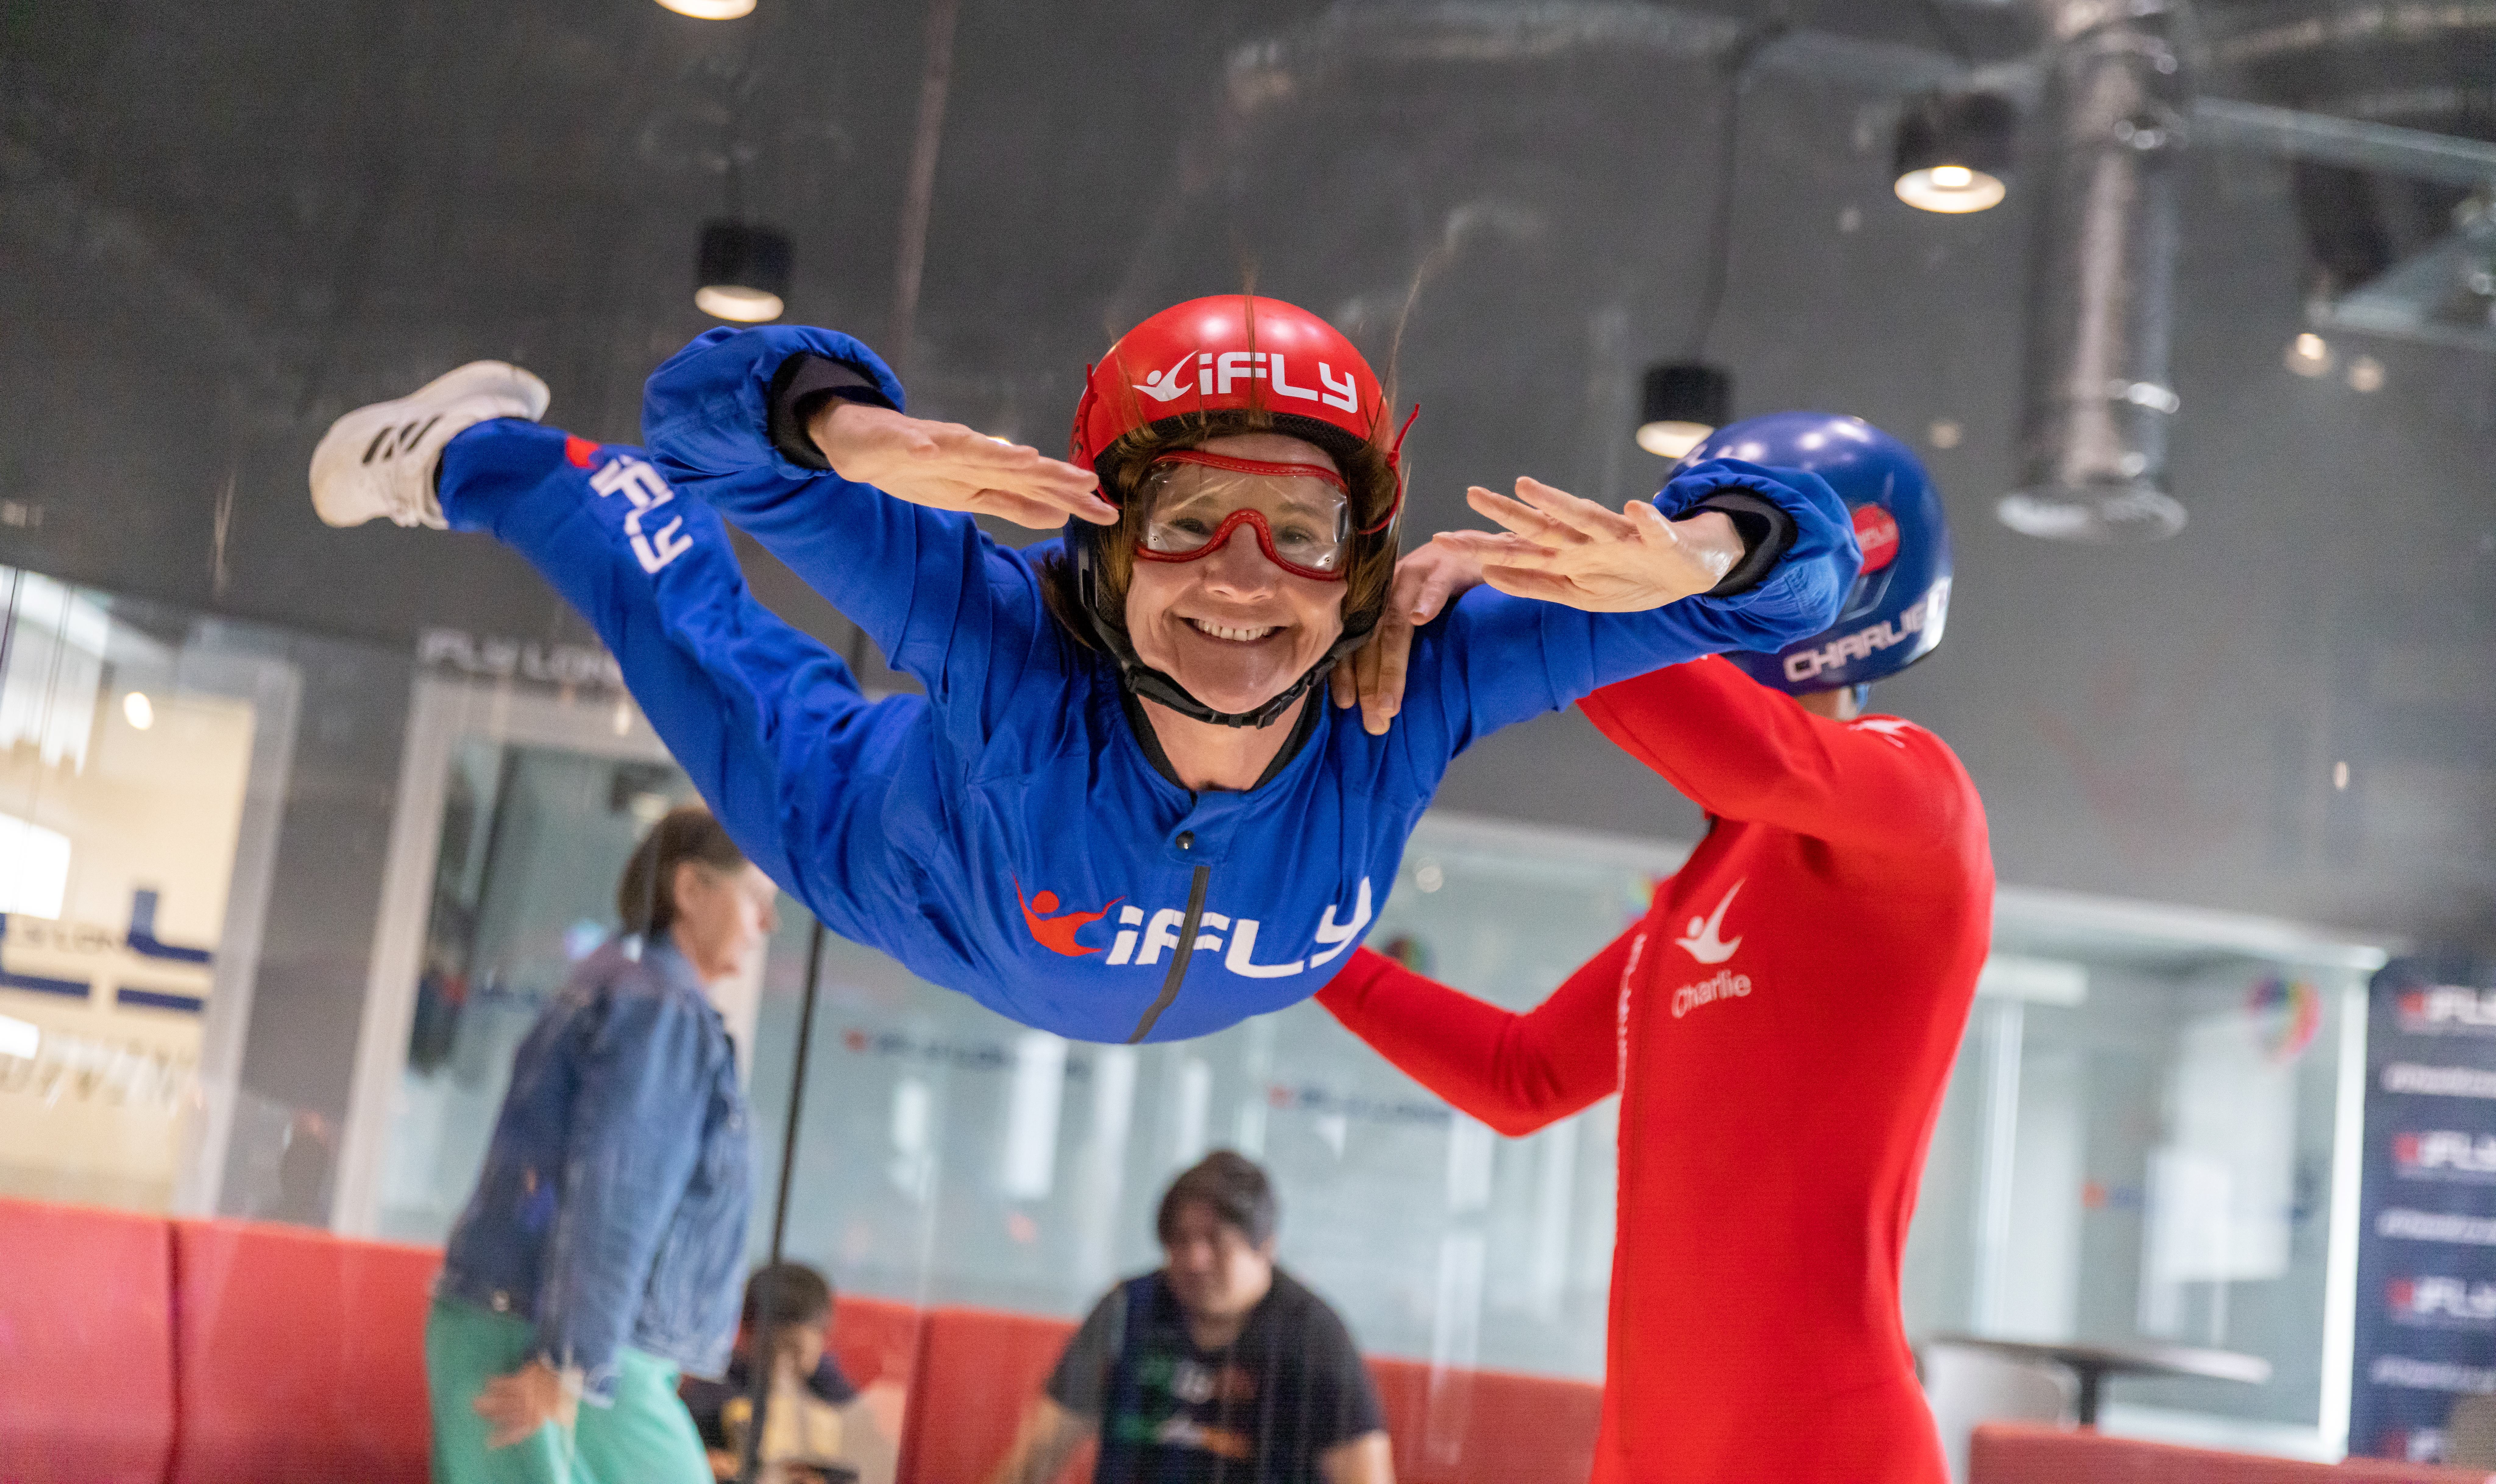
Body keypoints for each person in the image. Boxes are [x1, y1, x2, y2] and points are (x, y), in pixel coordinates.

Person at [311, 296, 1855, 1044]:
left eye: (1301, 533)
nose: (1246, 581)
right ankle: (482, 452)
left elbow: (1824, 571)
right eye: (1191, 521)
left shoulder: (1413, 682)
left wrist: (1706, 556)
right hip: (881, 852)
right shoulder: (1010, 641)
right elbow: (703, 429)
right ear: (1106, 547)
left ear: (1370, 562)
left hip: (1071, 943)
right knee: (663, 584)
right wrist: (846, 431)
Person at [1320, 414, 1990, 1484]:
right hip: (1646, 1453)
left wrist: (1540, 589)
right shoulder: (1708, 888)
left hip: (1825, 1453)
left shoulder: (1922, 799)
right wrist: (1302, 944)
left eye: (1697, 558)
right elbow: (1521, 1075)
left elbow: (1756, 759)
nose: (1660, 593)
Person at [425, 804, 782, 1483]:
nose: (768, 923)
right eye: (757, 898)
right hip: (553, 1344)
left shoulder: (623, 985)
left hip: (529, 1326)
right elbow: (619, 1193)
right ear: (691, 889)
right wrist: (571, 1362)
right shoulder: (660, 1011)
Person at [981, 1151, 1391, 1484]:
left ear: (1265, 1248)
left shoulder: (1314, 1337)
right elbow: (1033, 1462)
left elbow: (1366, 1476)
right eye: (1180, 1241)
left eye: (1216, 1243)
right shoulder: (1128, 1311)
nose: (1195, 1260)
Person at [679, 1263, 901, 1484]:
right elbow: (688, 1453)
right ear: (745, 1334)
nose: (781, 1365)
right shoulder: (713, 1391)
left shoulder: (838, 1396)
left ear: (824, 1339)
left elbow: (873, 1459)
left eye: (796, 1351)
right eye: (769, 1352)